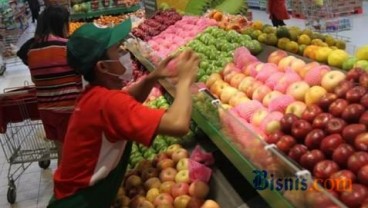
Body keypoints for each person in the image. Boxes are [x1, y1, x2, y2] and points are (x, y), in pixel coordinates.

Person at [47, 19, 199, 208]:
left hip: (72, 197)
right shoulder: (108, 103)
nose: (125, 54)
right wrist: (185, 81)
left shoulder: (94, 95)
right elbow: (178, 124)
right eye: (118, 50)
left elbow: (130, 99)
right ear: (103, 66)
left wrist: (154, 76)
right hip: (79, 202)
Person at [18, 6, 83, 165]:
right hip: (67, 110)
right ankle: (69, 186)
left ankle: (61, 185)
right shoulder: (67, 46)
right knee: (74, 155)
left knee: (62, 152)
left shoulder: (32, 51)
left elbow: (35, 80)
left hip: (47, 111)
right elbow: (79, 77)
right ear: (60, 24)